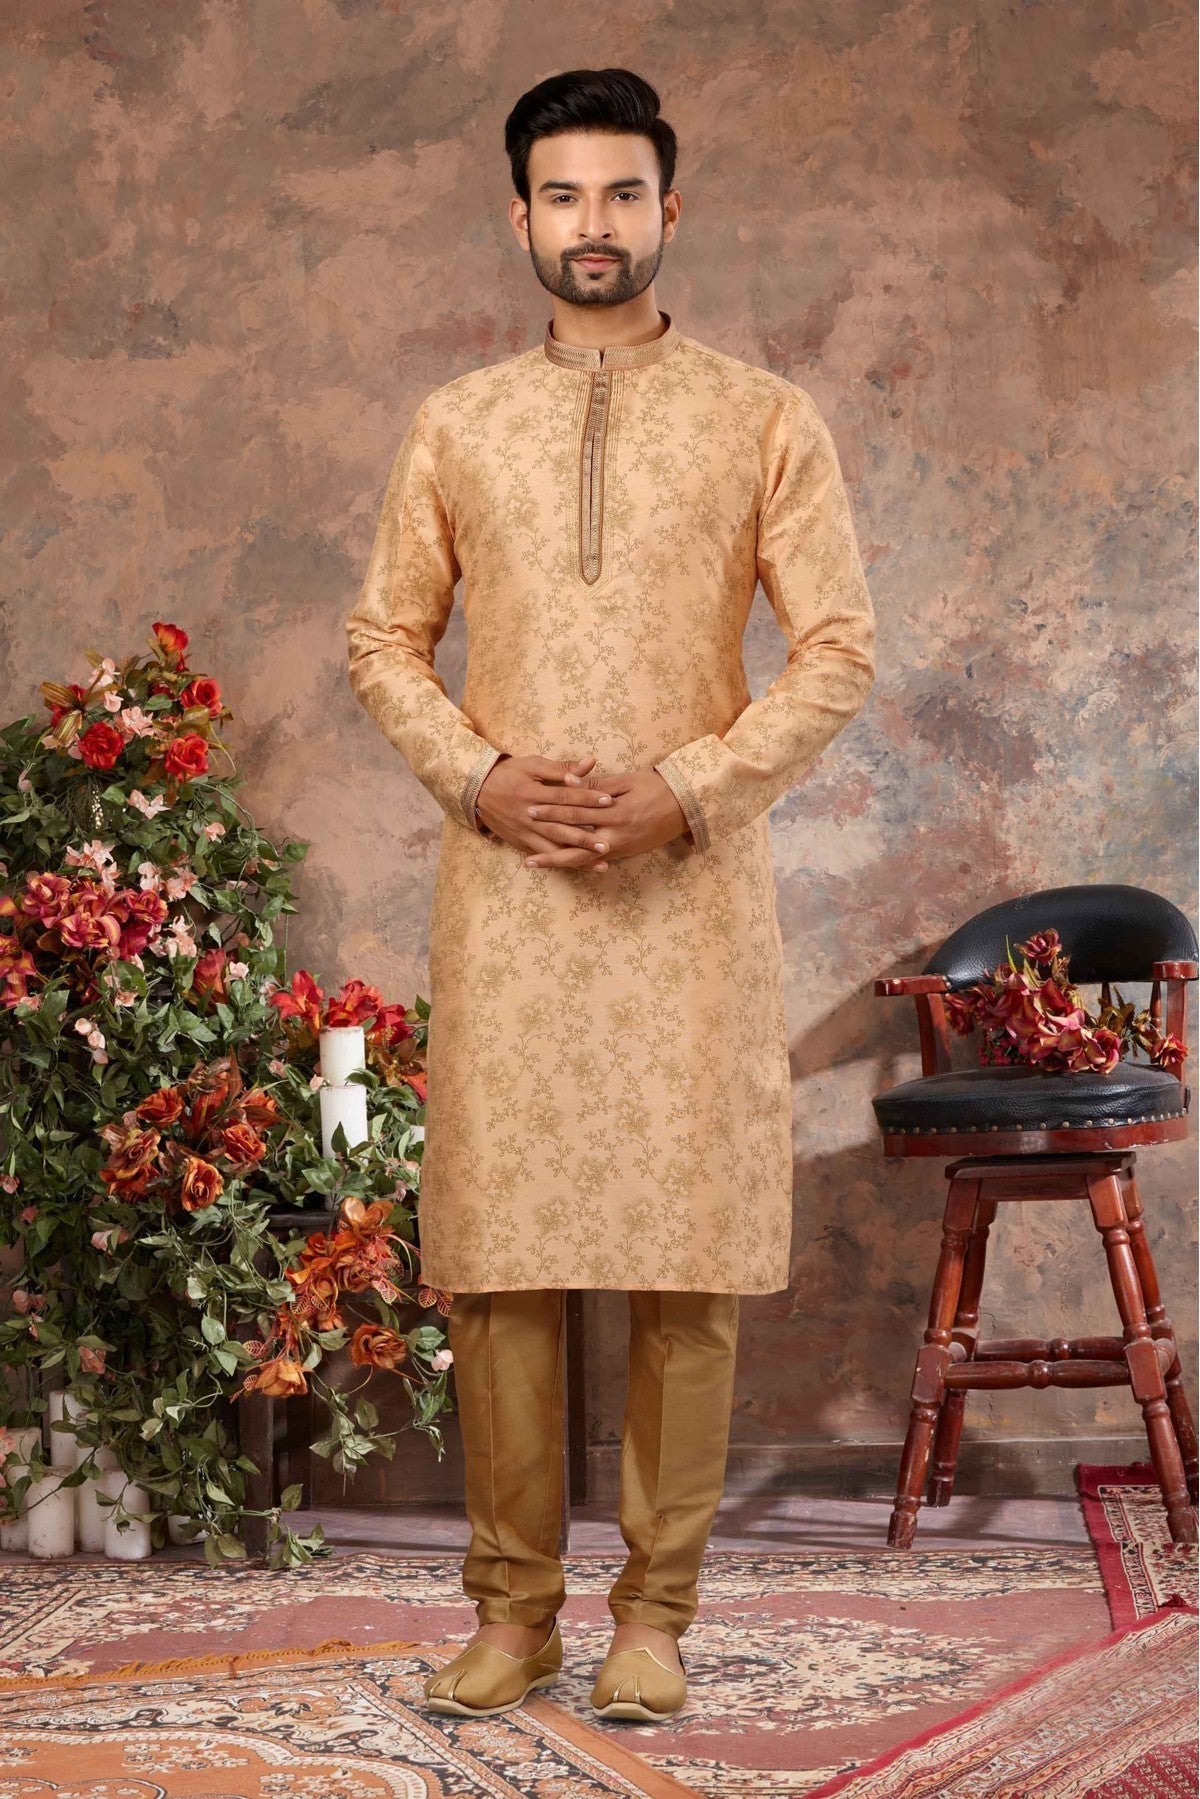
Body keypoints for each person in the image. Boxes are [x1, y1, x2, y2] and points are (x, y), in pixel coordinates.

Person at [344, 66, 875, 1723]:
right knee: (503, 1262)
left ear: (669, 208)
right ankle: (512, 1614)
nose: (595, 224)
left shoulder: (762, 416)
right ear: (521, 217)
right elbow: (383, 640)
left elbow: (838, 651)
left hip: (686, 899)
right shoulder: (458, 422)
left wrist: (686, 790)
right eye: (565, 196)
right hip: (509, 896)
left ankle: (656, 1615)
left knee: (682, 1262)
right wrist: (483, 777)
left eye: (624, 194)